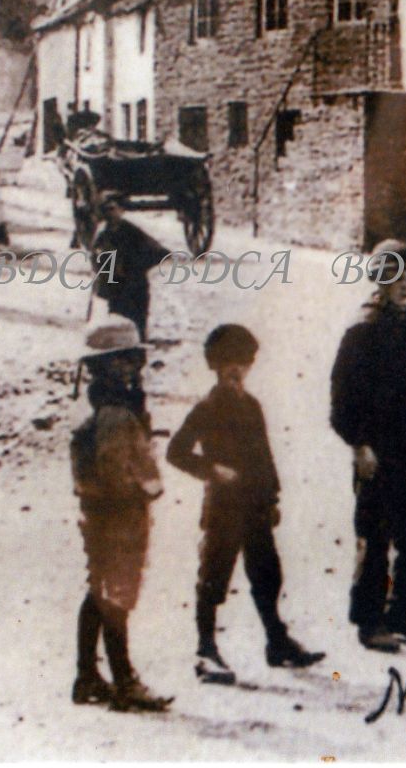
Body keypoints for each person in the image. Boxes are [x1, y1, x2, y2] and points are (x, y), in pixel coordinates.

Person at [167, 324, 324, 683]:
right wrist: (212, 469)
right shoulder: (206, 408)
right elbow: (175, 452)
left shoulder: (252, 406)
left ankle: (277, 642)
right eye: (228, 364)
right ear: (215, 366)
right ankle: (206, 650)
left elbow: (265, 457)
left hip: (255, 506)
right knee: (213, 577)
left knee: (267, 574)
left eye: (243, 363)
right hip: (223, 507)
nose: (236, 370)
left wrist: (273, 498)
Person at [330, 239, 406, 654]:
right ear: (379, 278)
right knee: (375, 537)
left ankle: (405, 617)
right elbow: (342, 399)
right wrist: (359, 445)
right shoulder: (363, 330)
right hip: (377, 453)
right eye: (397, 276)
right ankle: (370, 622)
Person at [70, 320, 172, 713]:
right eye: (122, 361)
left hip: (98, 511)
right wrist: (143, 491)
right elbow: (113, 468)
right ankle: (124, 680)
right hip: (118, 513)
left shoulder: (100, 404)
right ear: (104, 366)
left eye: (132, 359)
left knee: (99, 591)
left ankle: (87, 676)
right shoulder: (115, 412)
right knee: (117, 594)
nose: (130, 367)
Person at [92, 192, 171, 342]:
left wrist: (138, 266)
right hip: (115, 284)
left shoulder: (131, 231)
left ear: (121, 210)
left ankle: (140, 339)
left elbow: (160, 251)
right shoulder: (103, 234)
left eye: (113, 209)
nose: (110, 214)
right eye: (107, 210)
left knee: (138, 314)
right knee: (117, 314)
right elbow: (95, 257)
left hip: (134, 283)